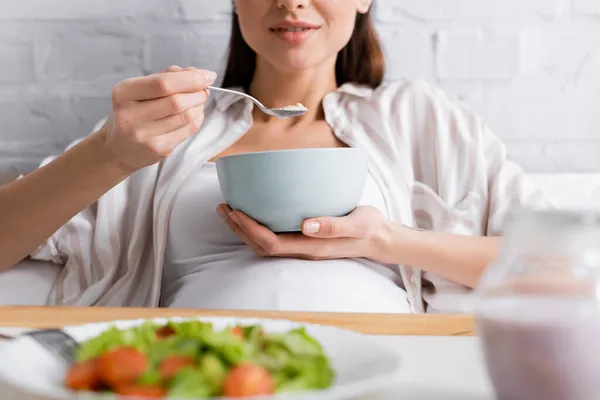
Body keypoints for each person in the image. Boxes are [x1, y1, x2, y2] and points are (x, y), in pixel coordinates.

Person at [0, 0, 548, 313]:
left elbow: (565, 264)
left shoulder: (421, 118)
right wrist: (109, 154)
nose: (291, 1)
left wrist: (387, 241)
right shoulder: (160, 131)